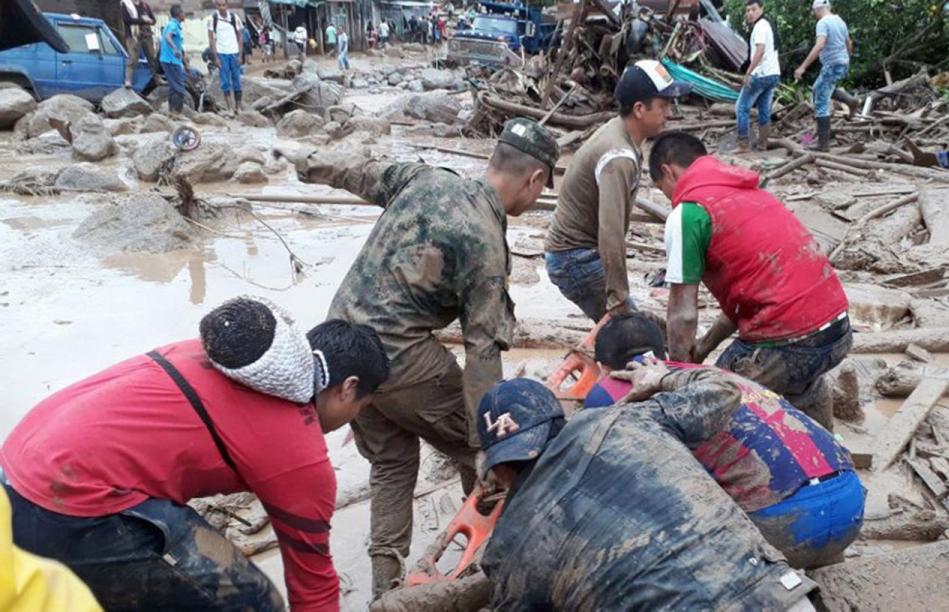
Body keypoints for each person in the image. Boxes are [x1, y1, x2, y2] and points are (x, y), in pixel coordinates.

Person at [275, 117, 558, 598]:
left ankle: (385, 586)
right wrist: (488, 439)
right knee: (482, 452)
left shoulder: (425, 178)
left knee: (391, 465)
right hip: (401, 358)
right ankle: (492, 563)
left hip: (341, 345)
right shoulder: (486, 243)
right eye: (539, 191)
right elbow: (483, 354)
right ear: (533, 180)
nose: (534, 202)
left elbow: (360, 172)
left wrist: (306, 162)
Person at [1, 297, 390, 611]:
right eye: (362, 406)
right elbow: (313, 584)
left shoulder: (202, 353)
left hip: (15, 468)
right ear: (347, 387)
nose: (355, 418)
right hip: (67, 506)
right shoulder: (299, 453)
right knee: (253, 601)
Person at [477, 374, 818, 609]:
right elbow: (724, 390)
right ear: (558, 420)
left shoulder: (506, 549)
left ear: (499, 468)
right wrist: (659, 378)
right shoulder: (627, 419)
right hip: (783, 597)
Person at [583, 313, 865, 568]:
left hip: (787, 522)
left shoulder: (608, 391)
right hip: (850, 501)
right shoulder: (713, 373)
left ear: (602, 367)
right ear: (662, 353)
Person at [649, 131, 850, 430]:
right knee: (800, 381)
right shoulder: (751, 193)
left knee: (709, 405)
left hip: (790, 342)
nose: (670, 198)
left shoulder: (689, 213)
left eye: (663, 189)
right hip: (837, 332)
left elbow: (683, 313)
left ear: (668, 170)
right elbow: (743, 303)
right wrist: (703, 348)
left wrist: (681, 375)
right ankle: (829, 450)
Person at [544, 60, 691, 322]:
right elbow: (610, 233)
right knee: (633, 338)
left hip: (577, 255)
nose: (669, 114)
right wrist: (619, 301)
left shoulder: (622, 135)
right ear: (639, 109)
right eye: (663, 105)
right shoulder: (618, 156)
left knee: (635, 331)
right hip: (575, 259)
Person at [794, 0, 853, 151]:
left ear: (818, 9)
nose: (815, 15)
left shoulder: (822, 23)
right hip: (842, 63)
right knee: (819, 88)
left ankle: (823, 145)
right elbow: (849, 43)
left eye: (814, 12)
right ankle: (852, 101)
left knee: (820, 101)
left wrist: (803, 67)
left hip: (831, 66)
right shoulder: (840, 21)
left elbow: (820, 45)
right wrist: (846, 60)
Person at [737, 0, 780, 151]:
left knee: (741, 108)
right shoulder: (768, 24)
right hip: (773, 74)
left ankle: (743, 145)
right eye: (747, 10)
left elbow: (760, 50)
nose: (750, 13)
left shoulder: (760, 26)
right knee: (764, 110)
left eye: (753, 9)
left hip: (760, 74)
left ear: (761, 9)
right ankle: (762, 144)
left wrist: (748, 72)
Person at [208, 0, 244, 115]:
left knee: (237, 80)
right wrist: (216, 58)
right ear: (216, 6)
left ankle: (238, 107)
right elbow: (211, 39)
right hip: (221, 54)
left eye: (223, 5)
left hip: (234, 53)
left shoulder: (234, 18)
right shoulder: (212, 19)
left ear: (227, 5)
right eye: (219, 5)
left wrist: (240, 55)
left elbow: (240, 37)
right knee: (225, 82)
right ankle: (229, 108)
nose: (222, 7)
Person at [120, 0, 158, 88]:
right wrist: (142, 20)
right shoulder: (126, 5)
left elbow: (153, 20)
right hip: (133, 36)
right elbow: (127, 20)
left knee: (152, 58)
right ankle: (128, 80)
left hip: (147, 35)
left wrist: (149, 21)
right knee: (133, 59)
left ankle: (156, 78)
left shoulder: (144, 5)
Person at [158, 4, 187, 116]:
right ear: (179, 15)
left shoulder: (171, 25)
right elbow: (168, 37)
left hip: (168, 60)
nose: (184, 15)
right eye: (183, 13)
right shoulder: (173, 25)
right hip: (171, 60)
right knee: (179, 88)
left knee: (173, 87)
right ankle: (176, 113)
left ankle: (171, 112)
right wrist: (174, 48)